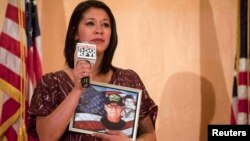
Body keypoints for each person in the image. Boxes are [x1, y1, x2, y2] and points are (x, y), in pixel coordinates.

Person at [28, 0, 158, 141]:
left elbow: (149, 134)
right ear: (75, 33)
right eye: (90, 23)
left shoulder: (128, 79)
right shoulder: (52, 82)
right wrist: (77, 90)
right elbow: (46, 137)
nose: (99, 30)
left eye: (105, 25)